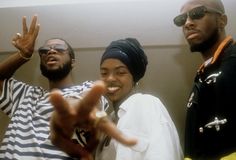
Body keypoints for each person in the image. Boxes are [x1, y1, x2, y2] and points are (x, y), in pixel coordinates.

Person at [0, 15, 136, 160]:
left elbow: (87, 104)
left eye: (59, 48)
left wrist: (74, 110)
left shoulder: (87, 88)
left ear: (72, 62)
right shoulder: (25, 95)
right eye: (44, 50)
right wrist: (23, 55)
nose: (50, 51)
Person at [50, 38, 183, 160]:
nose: (110, 79)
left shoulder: (145, 103)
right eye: (104, 73)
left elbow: (162, 153)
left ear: (134, 77)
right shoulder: (108, 123)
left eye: (120, 72)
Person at [173, 0, 236, 159]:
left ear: (222, 20)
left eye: (197, 13)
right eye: (182, 19)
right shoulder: (201, 76)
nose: (187, 23)